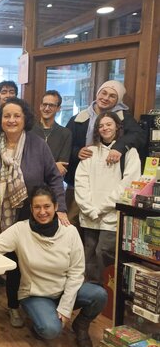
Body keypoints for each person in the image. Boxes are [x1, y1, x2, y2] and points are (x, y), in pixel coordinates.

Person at [0, 185, 107, 347]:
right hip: (35, 294)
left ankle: (81, 325)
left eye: (47, 206)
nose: (42, 212)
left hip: (63, 290)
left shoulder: (70, 232)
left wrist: (65, 307)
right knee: (51, 330)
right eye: (37, 207)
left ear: (56, 207)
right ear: (31, 209)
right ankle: (40, 322)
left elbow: (76, 272)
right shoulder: (20, 230)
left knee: (99, 295)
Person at [0, 97, 68, 326]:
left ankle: (14, 307)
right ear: (1, 119)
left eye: (16, 116)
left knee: (18, 263)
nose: (11, 120)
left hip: (26, 216)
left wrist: (61, 209)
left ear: (25, 119)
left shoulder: (38, 145)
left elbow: (54, 178)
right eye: (7, 116)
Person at [65, 80, 146, 226]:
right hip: (80, 184)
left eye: (112, 96)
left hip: (109, 187)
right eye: (104, 93)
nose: (106, 98)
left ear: (118, 100)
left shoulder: (124, 118)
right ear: (97, 93)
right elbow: (65, 146)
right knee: (71, 224)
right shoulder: (78, 118)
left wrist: (119, 147)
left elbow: (138, 136)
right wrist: (77, 152)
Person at [75, 112, 141, 284]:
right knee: (88, 255)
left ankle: (107, 296)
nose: (105, 128)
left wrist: (102, 207)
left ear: (118, 126)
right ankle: (90, 293)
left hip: (112, 216)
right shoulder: (90, 152)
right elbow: (81, 182)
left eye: (109, 124)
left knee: (104, 254)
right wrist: (89, 209)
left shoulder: (129, 153)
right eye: (101, 125)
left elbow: (129, 184)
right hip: (89, 216)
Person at [32, 90, 72, 176]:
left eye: (51, 105)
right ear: (40, 106)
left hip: (53, 183)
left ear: (58, 108)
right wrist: (54, 165)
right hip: (30, 181)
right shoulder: (29, 131)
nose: (47, 108)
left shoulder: (65, 134)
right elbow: (26, 163)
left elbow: (62, 168)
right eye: (44, 104)